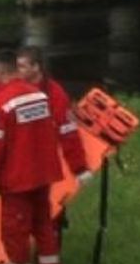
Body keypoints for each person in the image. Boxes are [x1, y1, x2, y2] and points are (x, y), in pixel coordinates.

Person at [0, 49, 64, 264]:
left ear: (0, 71)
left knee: (15, 235)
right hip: (42, 176)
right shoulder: (39, 96)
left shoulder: (1, 103)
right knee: (44, 229)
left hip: (17, 181)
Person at [16, 45, 89, 184]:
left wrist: (79, 168)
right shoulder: (14, 90)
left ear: (36, 67)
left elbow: (68, 132)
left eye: (22, 67)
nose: (18, 71)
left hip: (44, 163)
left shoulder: (55, 94)